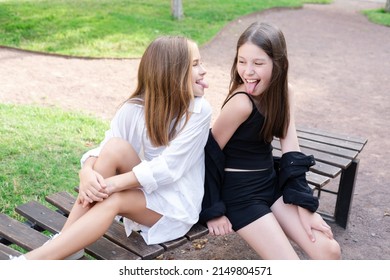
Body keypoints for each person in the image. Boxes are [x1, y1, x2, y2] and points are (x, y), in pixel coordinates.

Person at [11, 35, 212, 260]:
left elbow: (168, 169)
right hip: (146, 186)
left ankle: (30, 263)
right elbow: (105, 146)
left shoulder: (199, 112)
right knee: (115, 147)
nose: (203, 70)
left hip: (175, 204)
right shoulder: (135, 108)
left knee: (114, 199)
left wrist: (110, 185)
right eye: (195, 65)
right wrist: (86, 173)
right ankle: (67, 242)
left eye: (200, 63)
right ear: (171, 73)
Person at [199, 22, 341, 260]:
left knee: (329, 250)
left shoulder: (286, 92)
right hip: (240, 194)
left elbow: (291, 153)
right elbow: (208, 155)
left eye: (258, 63)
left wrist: (305, 208)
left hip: (270, 182)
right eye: (242, 61)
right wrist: (212, 210)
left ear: (278, 63)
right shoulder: (241, 103)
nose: (248, 71)